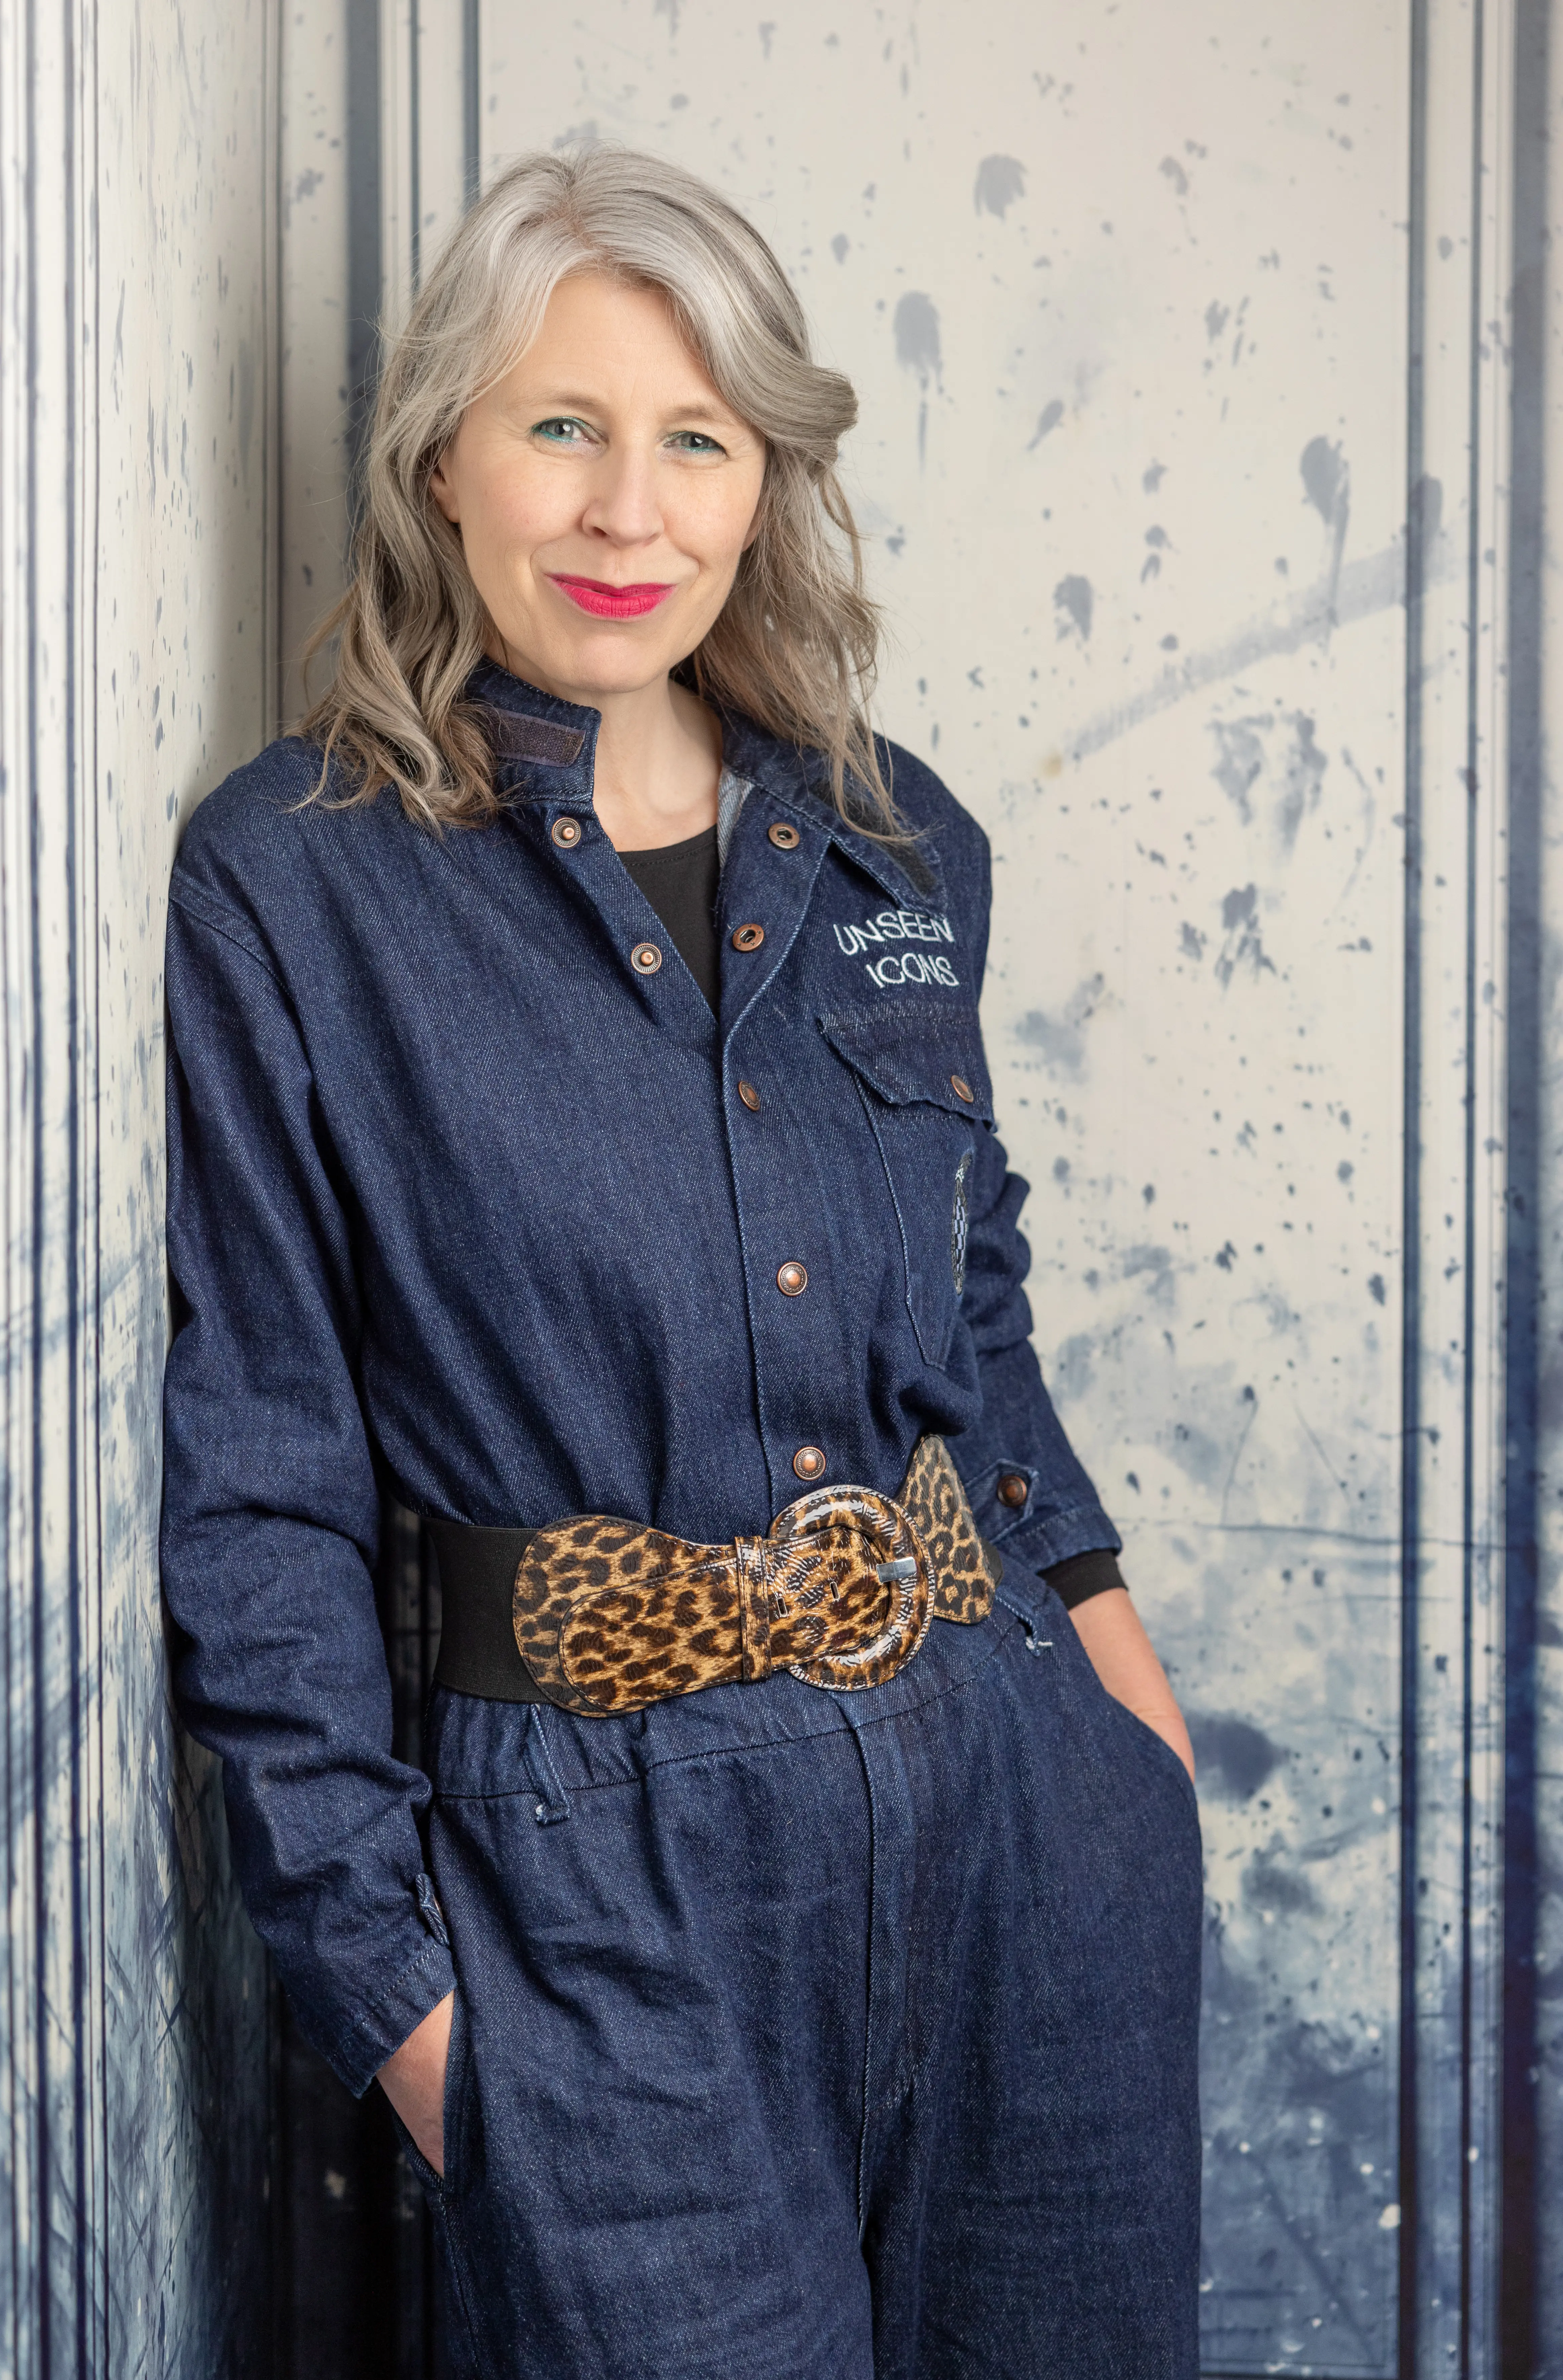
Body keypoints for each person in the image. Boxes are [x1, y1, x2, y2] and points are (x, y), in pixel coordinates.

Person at [160, 145, 1203, 2379]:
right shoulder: (293, 893)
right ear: (443, 455)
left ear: (763, 487)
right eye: (563, 427)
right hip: (590, 1917)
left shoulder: (904, 841)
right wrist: (409, 2010)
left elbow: (975, 1304)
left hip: (1020, 1830)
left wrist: (1127, 1706)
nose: (629, 512)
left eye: (695, 439)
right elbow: (260, 1484)